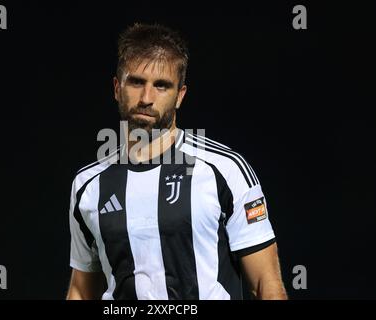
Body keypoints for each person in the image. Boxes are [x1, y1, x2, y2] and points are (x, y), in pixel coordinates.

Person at [66, 23, 287, 300]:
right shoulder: (88, 185)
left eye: (161, 85)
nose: (147, 98)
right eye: (136, 82)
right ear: (116, 88)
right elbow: (81, 291)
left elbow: (266, 284)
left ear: (180, 95)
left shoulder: (225, 170)